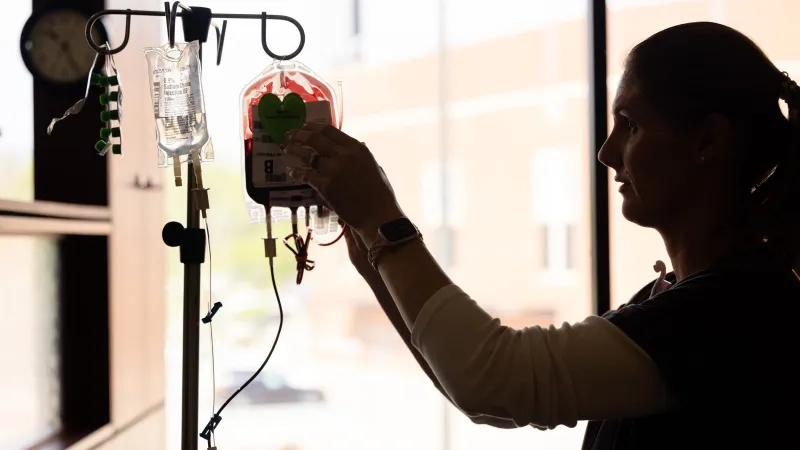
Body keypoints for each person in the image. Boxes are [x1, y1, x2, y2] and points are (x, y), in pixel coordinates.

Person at [282, 22, 800, 449]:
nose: (607, 153)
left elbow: (498, 379)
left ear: (707, 140)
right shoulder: (672, 299)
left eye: (630, 125)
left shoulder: (737, 307)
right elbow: (481, 391)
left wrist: (384, 224)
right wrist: (374, 254)